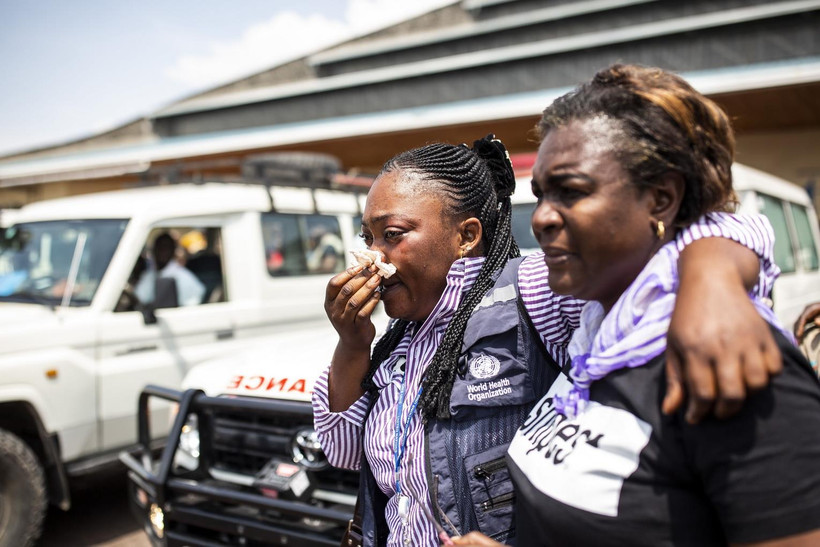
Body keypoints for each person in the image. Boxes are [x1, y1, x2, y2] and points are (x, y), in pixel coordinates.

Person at [313, 132, 781, 545]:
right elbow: (346, 452)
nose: (371, 257)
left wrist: (715, 280)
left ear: (466, 235)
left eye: (392, 235)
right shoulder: (400, 339)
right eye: (367, 237)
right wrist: (352, 345)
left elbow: (715, 232)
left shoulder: (531, 289)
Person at [456, 64, 820, 547]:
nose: (541, 217)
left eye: (572, 191)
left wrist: (714, 273)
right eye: (542, 194)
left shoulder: (727, 359)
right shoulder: (595, 338)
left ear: (661, 200)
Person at [134, 232, 205, 307]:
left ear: (173, 251)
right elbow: (139, 298)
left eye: (166, 248)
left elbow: (192, 304)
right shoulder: (149, 275)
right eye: (159, 247)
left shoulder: (182, 276)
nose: (162, 251)